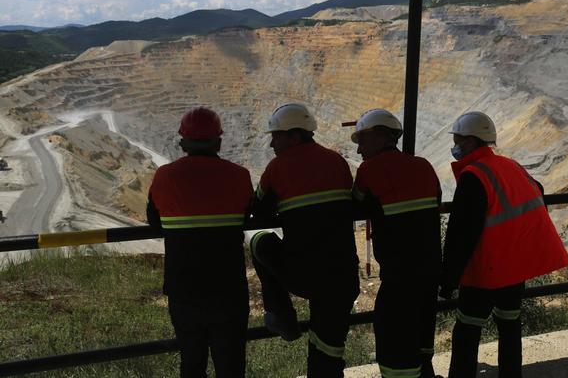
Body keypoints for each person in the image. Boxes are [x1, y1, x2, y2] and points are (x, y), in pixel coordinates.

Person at [440, 111, 568, 378]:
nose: (454, 146)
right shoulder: (511, 165)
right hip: (515, 268)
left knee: (467, 330)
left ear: (470, 141)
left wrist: (449, 280)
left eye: (457, 140)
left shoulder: (473, 176)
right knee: (509, 326)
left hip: (486, 272)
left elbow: (461, 235)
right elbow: (538, 191)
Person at [248, 103, 360, 378]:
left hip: (305, 273)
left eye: (276, 136)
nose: (272, 143)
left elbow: (258, 210)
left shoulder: (277, 168)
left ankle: (282, 316)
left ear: (295, 136)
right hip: (343, 275)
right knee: (328, 347)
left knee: (258, 239)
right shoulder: (337, 162)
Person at [147, 107, 252, 378]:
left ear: (183, 142)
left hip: (184, 289)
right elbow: (248, 214)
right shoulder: (240, 176)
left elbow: (154, 220)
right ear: (219, 141)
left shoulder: (165, 176)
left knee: (192, 362)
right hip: (228, 288)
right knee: (231, 365)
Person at [351, 108, 443, 378]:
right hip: (429, 273)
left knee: (393, 342)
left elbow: (354, 205)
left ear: (380, 137)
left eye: (362, 142)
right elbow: (435, 202)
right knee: (421, 337)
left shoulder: (369, 170)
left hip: (400, 277)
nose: (359, 152)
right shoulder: (424, 166)